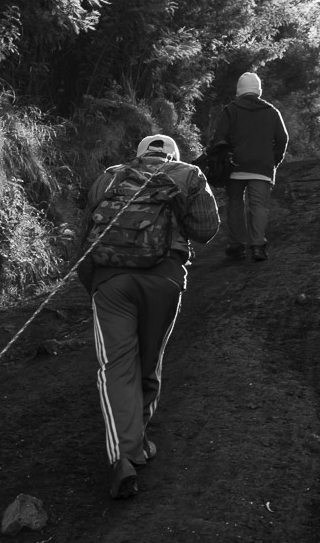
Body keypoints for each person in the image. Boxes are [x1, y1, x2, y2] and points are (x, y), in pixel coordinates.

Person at [79, 134, 220, 498]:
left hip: (111, 282)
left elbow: (86, 235)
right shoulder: (188, 174)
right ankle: (137, 445)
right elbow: (206, 231)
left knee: (115, 367)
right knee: (148, 362)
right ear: (173, 155)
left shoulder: (110, 176)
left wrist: (94, 285)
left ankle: (123, 457)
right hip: (164, 279)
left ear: (139, 155)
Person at [210, 71, 289, 262]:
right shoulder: (272, 112)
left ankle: (237, 246)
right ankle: (258, 247)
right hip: (262, 167)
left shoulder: (231, 110)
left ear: (239, 90)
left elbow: (219, 138)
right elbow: (282, 138)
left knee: (235, 204)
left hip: (235, 166)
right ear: (258, 90)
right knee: (259, 206)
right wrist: (273, 160)